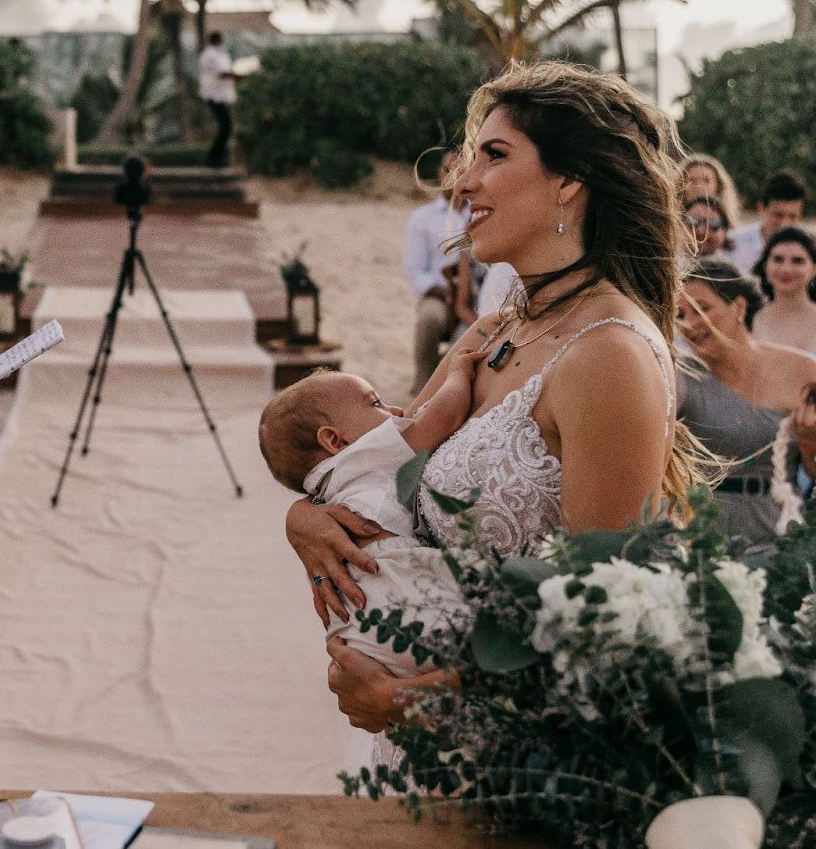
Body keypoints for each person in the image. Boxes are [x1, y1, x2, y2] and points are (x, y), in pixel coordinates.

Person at [290, 61, 696, 733]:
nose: (464, 181)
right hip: (410, 743)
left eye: (494, 157)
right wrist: (305, 518)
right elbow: (386, 461)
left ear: (570, 181)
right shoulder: (497, 327)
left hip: (509, 752)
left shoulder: (609, 355)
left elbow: (605, 623)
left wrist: (427, 702)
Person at [259, 359, 481, 675]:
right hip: (400, 578)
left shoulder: (325, 485)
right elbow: (445, 416)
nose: (398, 411)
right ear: (335, 441)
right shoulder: (371, 451)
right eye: (376, 403)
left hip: (357, 613)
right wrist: (458, 373)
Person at [675, 258, 816, 545]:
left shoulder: (802, 369)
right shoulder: (680, 373)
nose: (690, 324)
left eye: (702, 309)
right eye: (680, 315)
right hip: (701, 534)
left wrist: (811, 440)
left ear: (739, 307)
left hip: (778, 528)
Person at [404, 151, 469, 392]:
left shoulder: (479, 211)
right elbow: (414, 269)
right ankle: (423, 381)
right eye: (449, 170)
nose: (455, 177)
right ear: (440, 173)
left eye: (462, 171)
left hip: (474, 292)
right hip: (438, 293)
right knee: (429, 318)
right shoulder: (423, 218)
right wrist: (443, 292)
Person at [750, 226, 816, 357]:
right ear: (765, 266)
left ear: (815, 269)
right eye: (778, 259)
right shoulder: (752, 322)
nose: (786, 269)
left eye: (798, 261)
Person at [727, 170, 809, 277]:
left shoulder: (806, 248)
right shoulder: (733, 244)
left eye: (793, 216)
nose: (785, 224)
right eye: (778, 215)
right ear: (761, 208)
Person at [198, 31, 237, 168]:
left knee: (225, 126)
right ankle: (214, 159)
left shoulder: (213, 54)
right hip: (214, 95)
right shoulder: (211, 55)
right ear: (218, 41)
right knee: (226, 126)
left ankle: (217, 158)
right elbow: (222, 73)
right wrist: (239, 76)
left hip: (216, 94)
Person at [680, 153, 743, 226]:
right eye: (692, 181)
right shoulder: (670, 225)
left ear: (718, 185)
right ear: (680, 186)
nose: (699, 186)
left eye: (706, 181)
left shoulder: (730, 228)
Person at [684, 194, 732, 259]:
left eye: (713, 224)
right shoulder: (668, 264)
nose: (701, 231)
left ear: (724, 231)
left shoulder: (739, 264)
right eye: (693, 221)